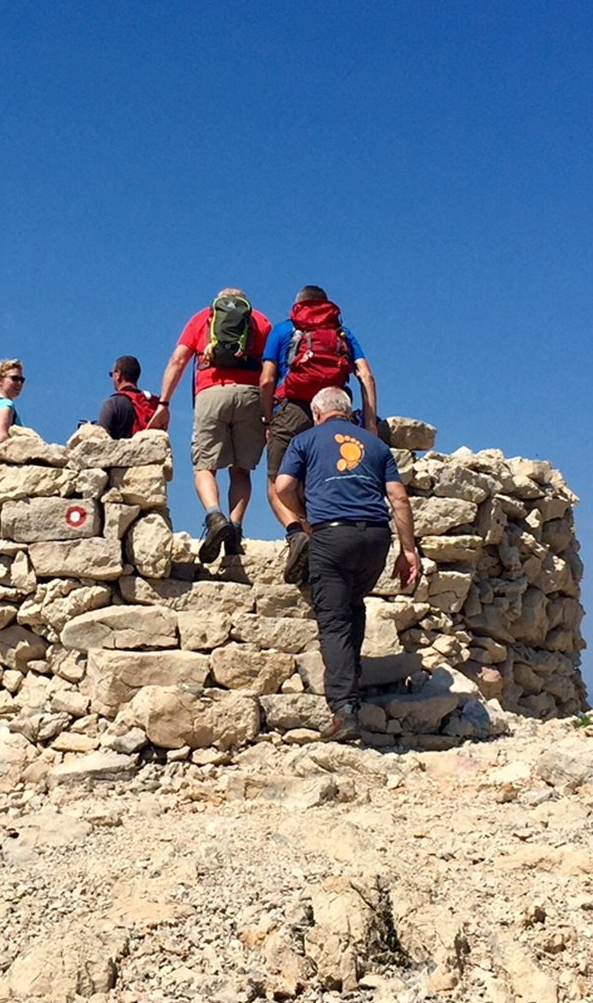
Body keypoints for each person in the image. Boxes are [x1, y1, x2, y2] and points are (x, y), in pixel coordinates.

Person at [270, 386, 420, 740]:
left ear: (316, 413)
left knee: (334, 621)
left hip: (331, 536)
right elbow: (399, 497)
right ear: (349, 413)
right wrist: (408, 550)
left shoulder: (305, 440)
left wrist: (304, 517)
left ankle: (344, 710)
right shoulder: (376, 445)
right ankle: (353, 683)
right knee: (353, 604)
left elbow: (283, 486)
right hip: (375, 538)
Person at [154, 287, 272, 561]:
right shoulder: (260, 321)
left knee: (205, 467)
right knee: (241, 471)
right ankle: (235, 529)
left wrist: (164, 403)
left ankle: (214, 515)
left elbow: (178, 360)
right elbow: (271, 370)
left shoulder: (203, 318)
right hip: (250, 396)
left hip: (211, 392)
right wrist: (269, 413)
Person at [260, 285, 379, 528]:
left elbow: (267, 380)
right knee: (321, 479)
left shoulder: (282, 330)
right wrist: (370, 425)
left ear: (298, 305)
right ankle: (319, 535)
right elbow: (366, 375)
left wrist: (268, 419)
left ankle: (298, 534)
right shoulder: (342, 332)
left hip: (291, 410)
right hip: (334, 414)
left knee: (276, 482)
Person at [96, 355, 160, 440]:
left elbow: (100, 438)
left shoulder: (113, 403)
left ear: (118, 374)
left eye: (112, 374)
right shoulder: (152, 402)